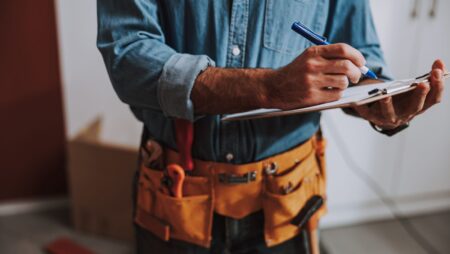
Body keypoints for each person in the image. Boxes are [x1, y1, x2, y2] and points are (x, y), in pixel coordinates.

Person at [97, 1, 446, 253]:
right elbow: (127, 56)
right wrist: (269, 87)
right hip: (176, 196)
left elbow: (361, 61)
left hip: (288, 203)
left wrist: (379, 101)